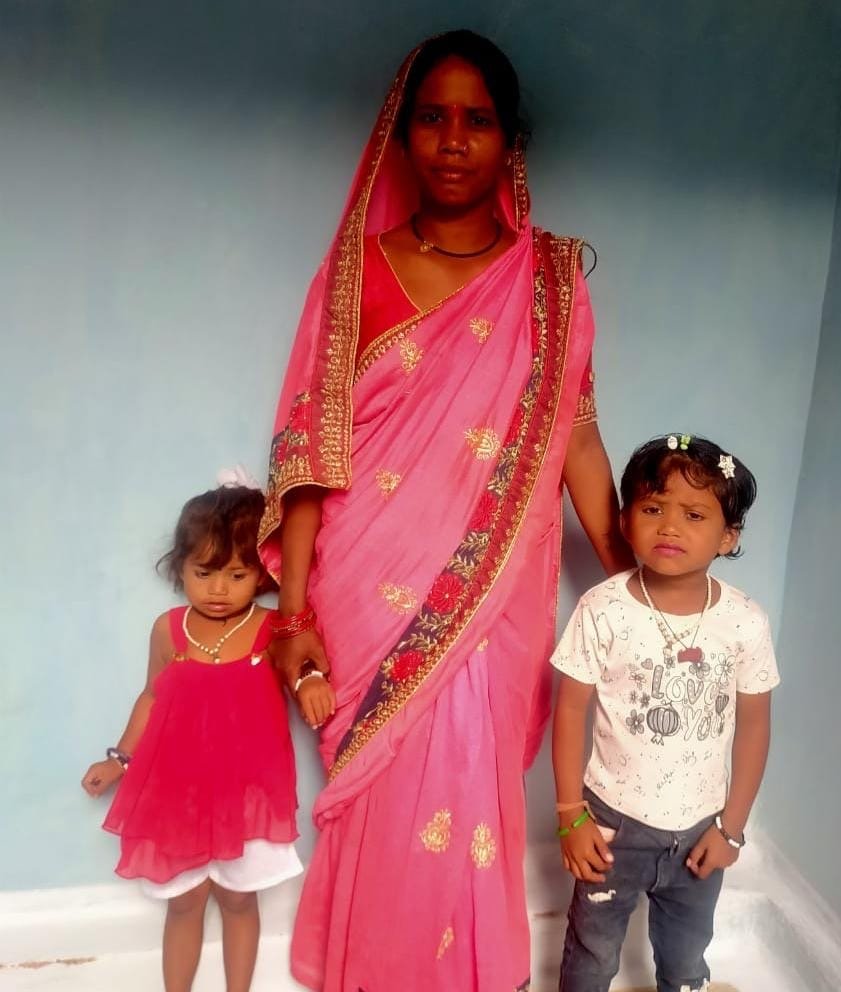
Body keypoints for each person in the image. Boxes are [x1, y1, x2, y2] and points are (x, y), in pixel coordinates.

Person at [258, 29, 635, 992]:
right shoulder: (355, 273)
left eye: (478, 120)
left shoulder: (551, 283)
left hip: (491, 597)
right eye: (432, 118)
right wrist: (292, 615)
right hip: (365, 580)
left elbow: (576, 439)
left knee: (467, 790)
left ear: (512, 141)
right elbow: (310, 450)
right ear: (402, 136)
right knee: (385, 798)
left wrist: (640, 579)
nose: (454, 140)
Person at [551, 434, 779, 992]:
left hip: (701, 828)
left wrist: (731, 829)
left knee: (685, 958)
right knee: (592, 953)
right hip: (612, 825)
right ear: (625, 521)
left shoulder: (744, 622)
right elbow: (570, 711)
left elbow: (754, 728)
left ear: (728, 536)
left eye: (694, 515)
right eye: (653, 509)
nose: (670, 526)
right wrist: (570, 815)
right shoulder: (603, 609)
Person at [81, 483, 305, 992]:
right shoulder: (169, 629)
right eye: (204, 573)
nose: (219, 589)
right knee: (184, 902)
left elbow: (303, 673)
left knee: (238, 899)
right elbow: (151, 696)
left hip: (246, 794)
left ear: (261, 573)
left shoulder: (272, 629)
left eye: (236, 575)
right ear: (180, 568)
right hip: (178, 789)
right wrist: (119, 759)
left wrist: (312, 682)